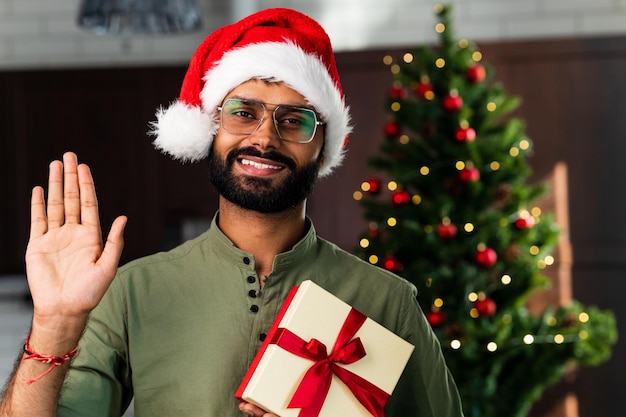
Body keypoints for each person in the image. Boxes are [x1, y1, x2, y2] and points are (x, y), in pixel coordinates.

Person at [0, 8, 463, 417]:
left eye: (294, 120)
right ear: (210, 128)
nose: (264, 137)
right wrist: (53, 326)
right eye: (243, 112)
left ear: (324, 147)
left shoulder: (389, 303)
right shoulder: (131, 293)